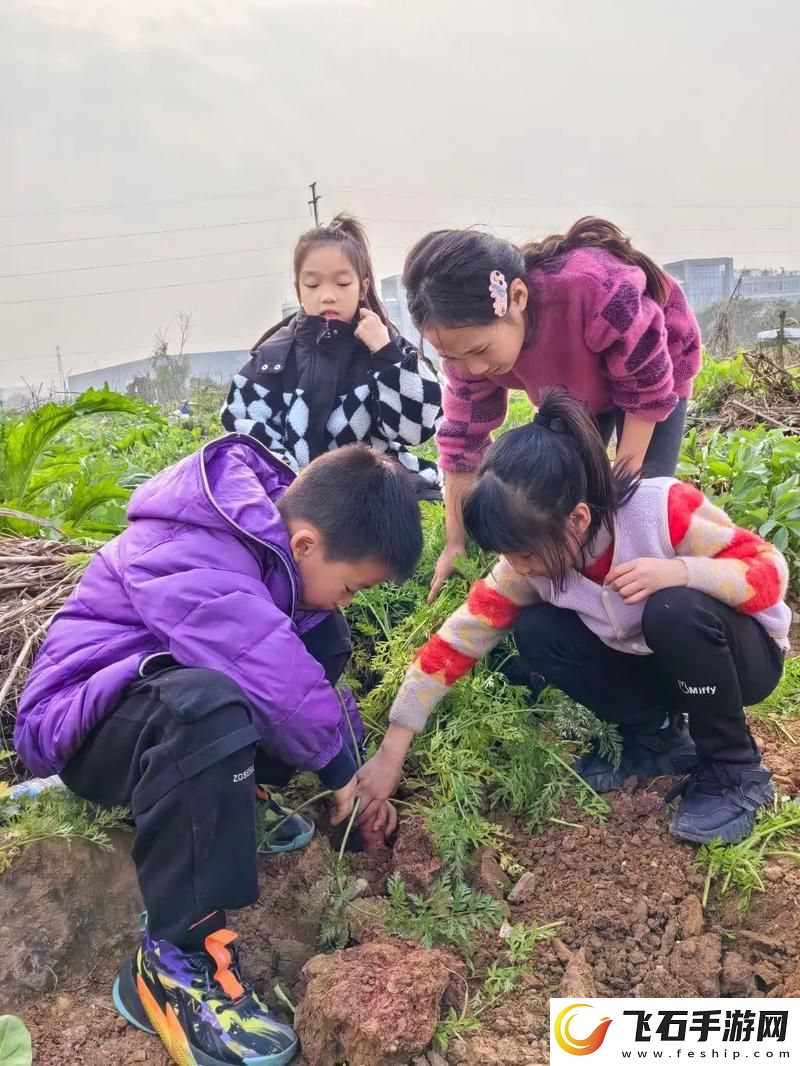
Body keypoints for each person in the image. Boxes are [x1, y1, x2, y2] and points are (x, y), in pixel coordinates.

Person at [14, 436, 422, 1066]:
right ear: (307, 543)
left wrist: (358, 757)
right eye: (351, 585)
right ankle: (173, 962)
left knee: (323, 639)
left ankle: (234, 799)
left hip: (152, 706)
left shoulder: (267, 552)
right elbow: (263, 667)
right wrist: (342, 768)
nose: (349, 598)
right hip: (84, 724)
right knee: (208, 706)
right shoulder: (191, 544)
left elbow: (299, 673)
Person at [355, 388, 790, 849]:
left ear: (577, 519)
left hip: (742, 662)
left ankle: (735, 770)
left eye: (523, 553)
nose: (518, 567)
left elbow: (770, 573)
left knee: (672, 608)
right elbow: (456, 642)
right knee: (538, 629)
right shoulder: (530, 566)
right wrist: (391, 750)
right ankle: (658, 740)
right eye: (508, 555)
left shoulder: (660, 511)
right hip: (663, 669)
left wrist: (681, 571)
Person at [401, 218, 702, 600]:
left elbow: (645, 390)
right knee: (565, 494)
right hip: (574, 389)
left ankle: (657, 591)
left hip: (654, 372)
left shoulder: (593, 290)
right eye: (451, 357)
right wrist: (454, 544)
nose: (472, 369)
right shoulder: (467, 358)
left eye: (479, 351)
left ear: (518, 298)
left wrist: (618, 497)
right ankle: (579, 595)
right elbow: (461, 444)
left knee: (641, 500)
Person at [222, 213, 443, 500]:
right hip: (299, 493)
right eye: (313, 285)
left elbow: (418, 429)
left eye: (341, 284)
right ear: (298, 289)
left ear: (362, 288)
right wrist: (292, 480)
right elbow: (243, 425)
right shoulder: (274, 355)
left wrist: (387, 355)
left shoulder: (384, 342)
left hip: (378, 485)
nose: (327, 296)